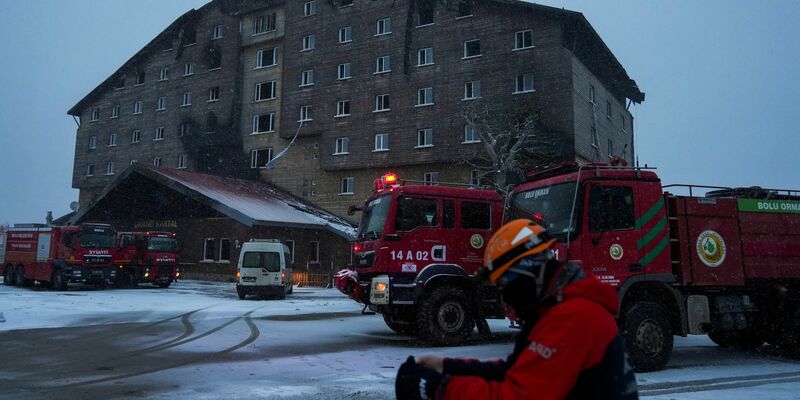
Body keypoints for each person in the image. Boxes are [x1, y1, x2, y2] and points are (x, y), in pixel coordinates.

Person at [395, 219, 638, 400]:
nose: (505, 295)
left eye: (506, 283)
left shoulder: (573, 317)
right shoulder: (555, 311)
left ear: (530, 272)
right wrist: (448, 367)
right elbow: (514, 371)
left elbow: (518, 395)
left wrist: (437, 388)